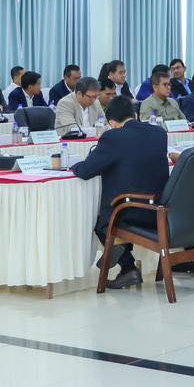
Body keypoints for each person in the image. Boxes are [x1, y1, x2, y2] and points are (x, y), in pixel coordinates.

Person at [72, 96, 169, 289]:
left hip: (131, 211)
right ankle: (126, 266)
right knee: (114, 215)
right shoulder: (159, 133)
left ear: (112, 123)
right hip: (161, 208)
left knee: (103, 223)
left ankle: (128, 267)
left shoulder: (113, 137)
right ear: (134, 115)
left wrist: (73, 165)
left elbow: (86, 171)